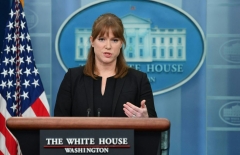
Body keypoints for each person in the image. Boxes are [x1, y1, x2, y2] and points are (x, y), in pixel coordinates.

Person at [54, 13, 157, 118]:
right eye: (102, 39)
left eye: (114, 40)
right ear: (92, 41)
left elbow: (154, 126)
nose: (108, 46)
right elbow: (59, 123)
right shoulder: (73, 78)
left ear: (121, 43)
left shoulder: (139, 80)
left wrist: (146, 119)